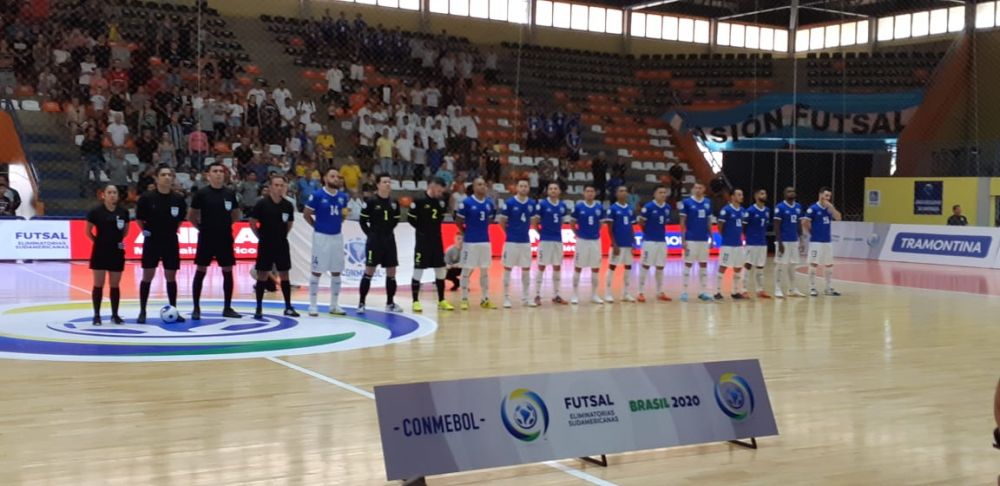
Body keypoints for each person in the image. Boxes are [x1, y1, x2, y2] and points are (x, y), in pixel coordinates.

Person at [188, 162, 242, 320]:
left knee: (227, 271)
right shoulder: (201, 194)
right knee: (201, 271)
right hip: (206, 237)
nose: (218, 173)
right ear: (208, 175)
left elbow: (236, 215)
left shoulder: (230, 194)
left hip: (224, 237)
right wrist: (202, 228)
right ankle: (196, 308)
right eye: (215, 171)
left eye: (221, 171)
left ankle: (227, 307)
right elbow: (191, 216)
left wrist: (224, 226)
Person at [135, 166, 187, 323]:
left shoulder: (178, 199)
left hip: (170, 241)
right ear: (157, 178)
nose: (167, 177)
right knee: (148, 276)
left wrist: (170, 231)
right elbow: (139, 219)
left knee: (171, 276)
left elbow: (180, 220)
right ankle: (142, 311)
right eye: (163, 175)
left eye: (170, 175)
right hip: (152, 241)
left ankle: (174, 309)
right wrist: (147, 231)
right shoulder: (147, 197)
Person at [303, 168, 351, 316]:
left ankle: (334, 305)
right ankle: (312, 305)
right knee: (317, 270)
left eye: (338, 176)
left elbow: (343, 215)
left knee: (336, 271)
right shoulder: (317, 195)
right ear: (325, 178)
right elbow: (306, 214)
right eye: (332, 176)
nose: (336, 179)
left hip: (337, 237)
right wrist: (317, 227)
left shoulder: (343, 197)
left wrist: (339, 221)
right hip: (321, 237)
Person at [249, 175, 299, 319]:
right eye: (276, 185)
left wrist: (281, 236)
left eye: (281, 185)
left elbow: (289, 224)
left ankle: (288, 306)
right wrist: (261, 237)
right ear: (270, 187)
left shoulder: (288, 205)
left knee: (284, 274)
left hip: (282, 244)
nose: (279, 188)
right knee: (262, 274)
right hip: (265, 244)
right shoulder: (262, 204)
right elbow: (252, 223)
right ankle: (258, 308)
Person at [358, 174, 403, 314]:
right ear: (378, 185)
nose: (387, 184)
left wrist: (387, 231)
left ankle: (390, 303)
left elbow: (396, 220)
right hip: (374, 241)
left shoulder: (394, 202)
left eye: (389, 182)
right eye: (384, 182)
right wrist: (370, 234)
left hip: (389, 240)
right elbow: (362, 221)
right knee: (369, 271)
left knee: (391, 272)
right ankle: (361, 303)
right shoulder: (370, 201)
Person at [408, 177, 454, 312]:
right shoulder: (419, 200)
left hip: (436, 241)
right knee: (418, 270)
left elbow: (439, 218)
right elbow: (411, 218)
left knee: (440, 270)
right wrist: (422, 230)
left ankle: (442, 300)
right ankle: (415, 301)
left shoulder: (441, 202)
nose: (441, 193)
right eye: (440, 190)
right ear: (433, 186)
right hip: (422, 242)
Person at [86, 185, 130, 325]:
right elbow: (88, 231)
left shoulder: (123, 211)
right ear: (103, 195)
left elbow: (125, 232)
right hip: (100, 251)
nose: (112, 195)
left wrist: (116, 242)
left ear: (118, 195)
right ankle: (97, 315)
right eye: (109, 192)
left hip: (116, 251)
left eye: (114, 192)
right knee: (98, 284)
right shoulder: (96, 211)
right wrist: (98, 242)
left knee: (115, 285)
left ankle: (115, 315)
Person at [455, 177, 497, 310]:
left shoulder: (489, 203)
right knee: (466, 270)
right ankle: (464, 299)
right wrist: (465, 232)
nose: (482, 187)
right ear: (473, 187)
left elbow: (490, 220)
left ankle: (485, 299)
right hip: (470, 242)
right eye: (479, 184)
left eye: (484, 184)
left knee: (484, 271)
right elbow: (458, 221)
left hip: (485, 241)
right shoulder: (466, 202)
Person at [498, 178, 537, 308]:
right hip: (511, 242)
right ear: (517, 188)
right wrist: (509, 234)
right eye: (521, 186)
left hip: (525, 242)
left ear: (528, 188)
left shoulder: (531, 203)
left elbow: (532, 221)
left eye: (526, 186)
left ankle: (526, 298)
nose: (523, 188)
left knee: (526, 269)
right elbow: (502, 222)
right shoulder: (509, 203)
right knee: (508, 268)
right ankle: (506, 298)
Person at [534, 182, 570, 305]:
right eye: (551, 189)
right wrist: (542, 234)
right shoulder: (542, 204)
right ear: (547, 191)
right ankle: (537, 295)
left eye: (555, 188)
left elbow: (563, 222)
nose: (553, 190)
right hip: (545, 240)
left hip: (558, 240)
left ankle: (556, 295)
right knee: (541, 266)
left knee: (557, 266)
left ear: (559, 191)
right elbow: (534, 223)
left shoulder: (562, 206)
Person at [803, 187, 843, 297]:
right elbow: (805, 223)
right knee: (814, 263)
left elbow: (839, 217)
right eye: (826, 195)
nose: (827, 198)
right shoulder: (813, 208)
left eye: (829, 196)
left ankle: (828, 288)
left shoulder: (829, 209)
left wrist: (831, 206)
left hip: (827, 241)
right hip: (816, 241)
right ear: (820, 195)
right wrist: (812, 233)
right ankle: (812, 288)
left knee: (829, 264)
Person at [570, 185, 607, 304]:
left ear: (595, 193)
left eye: (592, 191)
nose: (590, 193)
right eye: (587, 191)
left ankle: (594, 295)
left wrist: (594, 233)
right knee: (578, 267)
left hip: (595, 241)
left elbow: (601, 224)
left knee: (595, 268)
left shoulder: (599, 207)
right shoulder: (579, 206)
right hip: (582, 241)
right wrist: (579, 234)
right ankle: (574, 295)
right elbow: (572, 224)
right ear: (584, 193)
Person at [679, 182, 714, 302]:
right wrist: (683, 239)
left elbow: (709, 221)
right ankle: (684, 291)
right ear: (693, 189)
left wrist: (712, 237)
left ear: (704, 189)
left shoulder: (708, 203)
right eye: (696, 188)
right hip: (691, 239)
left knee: (703, 265)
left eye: (700, 187)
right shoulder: (687, 202)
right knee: (688, 264)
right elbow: (682, 221)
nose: (698, 190)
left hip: (703, 239)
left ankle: (703, 291)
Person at [637, 186, 671, 303]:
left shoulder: (667, 207)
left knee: (660, 266)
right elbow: (641, 222)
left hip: (661, 241)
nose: (662, 194)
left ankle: (660, 292)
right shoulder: (648, 207)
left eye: (664, 192)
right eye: (660, 192)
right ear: (655, 194)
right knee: (646, 265)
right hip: (649, 241)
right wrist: (648, 233)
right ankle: (640, 292)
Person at [773, 186, 806, 298]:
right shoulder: (780, 207)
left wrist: (801, 239)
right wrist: (779, 242)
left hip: (794, 241)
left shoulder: (798, 207)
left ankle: (792, 289)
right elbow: (776, 226)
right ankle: (777, 288)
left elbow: (798, 224)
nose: (791, 193)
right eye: (789, 191)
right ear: (784, 194)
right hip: (783, 241)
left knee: (793, 265)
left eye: (793, 191)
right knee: (780, 265)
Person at [715, 189, 748, 300]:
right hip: (727, 244)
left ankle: (734, 292)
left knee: (738, 267)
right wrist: (726, 236)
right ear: (732, 197)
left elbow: (742, 227)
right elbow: (719, 227)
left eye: (742, 194)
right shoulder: (726, 210)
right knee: (723, 266)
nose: (741, 196)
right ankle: (718, 292)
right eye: (739, 194)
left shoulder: (743, 211)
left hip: (738, 244)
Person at [606, 185, 636, 302]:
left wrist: (633, 243)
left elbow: (632, 227)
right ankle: (608, 293)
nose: (624, 193)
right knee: (612, 267)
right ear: (616, 194)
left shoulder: (629, 208)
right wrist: (614, 244)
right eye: (621, 191)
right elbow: (609, 228)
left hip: (628, 244)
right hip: (618, 244)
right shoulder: (612, 209)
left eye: (625, 191)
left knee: (628, 267)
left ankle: (626, 293)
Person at [743, 189, 773, 299]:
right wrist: (748, 238)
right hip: (752, 242)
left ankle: (760, 290)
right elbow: (744, 227)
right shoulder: (750, 210)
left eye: (765, 193)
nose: (764, 195)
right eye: (761, 193)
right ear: (756, 196)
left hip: (762, 242)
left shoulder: (767, 210)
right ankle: (744, 290)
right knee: (748, 265)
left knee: (760, 266)